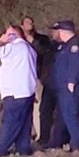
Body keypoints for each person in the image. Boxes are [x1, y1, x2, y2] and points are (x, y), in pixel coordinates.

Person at [0, 24, 38, 157]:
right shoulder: (30, 49)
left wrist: (1, 41)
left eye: (9, 34)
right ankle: (23, 149)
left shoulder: (14, 47)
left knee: (10, 122)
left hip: (14, 92)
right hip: (27, 91)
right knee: (24, 123)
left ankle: (1, 150)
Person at [46, 20, 79, 152]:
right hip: (61, 87)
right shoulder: (63, 46)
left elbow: (76, 64)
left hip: (69, 87)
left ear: (63, 31)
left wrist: (72, 82)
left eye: (58, 31)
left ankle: (76, 144)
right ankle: (57, 142)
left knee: (71, 115)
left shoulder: (75, 45)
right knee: (61, 116)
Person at [25, 15, 55, 143]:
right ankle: (26, 133)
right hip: (22, 79)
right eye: (27, 23)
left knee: (39, 107)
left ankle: (39, 134)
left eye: (31, 23)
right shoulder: (17, 40)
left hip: (37, 76)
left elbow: (46, 54)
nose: (30, 25)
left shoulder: (42, 39)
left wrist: (33, 42)